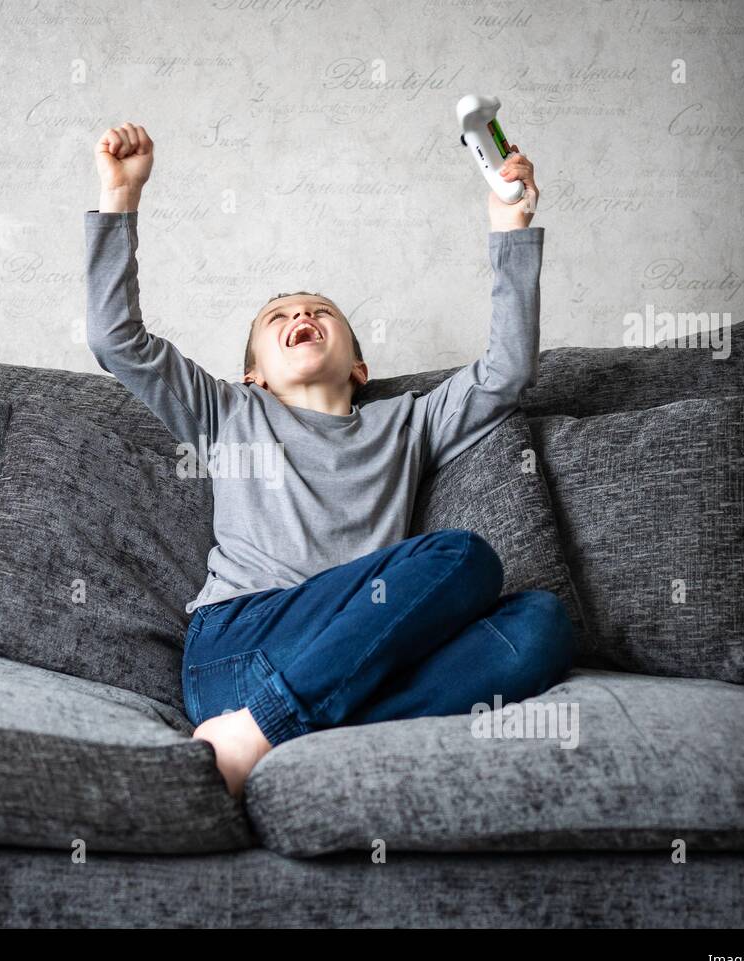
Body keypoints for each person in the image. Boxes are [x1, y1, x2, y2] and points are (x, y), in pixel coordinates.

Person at [86, 120, 574, 798]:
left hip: (361, 656)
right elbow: (116, 340)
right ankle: (263, 728)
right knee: (464, 557)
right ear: (252, 373)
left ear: (361, 365)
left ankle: (293, 731)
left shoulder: (407, 419)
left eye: (320, 312)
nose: (299, 317)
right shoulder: (228, 411)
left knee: (542, 624)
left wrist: (509, 225)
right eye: (278, 318)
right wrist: (121, 199)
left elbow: (506, 373)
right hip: (241, 647)